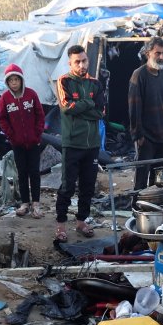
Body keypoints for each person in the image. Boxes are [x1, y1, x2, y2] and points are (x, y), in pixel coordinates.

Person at [54, 45, 105, 242]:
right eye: (77, 62)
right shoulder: (64, 81)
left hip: (92, 145)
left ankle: (81, 221)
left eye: (84, 61)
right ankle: (60, 225)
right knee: (67, 186)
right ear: (70, 63)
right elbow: (67, 107)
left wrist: (82, 107)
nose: (81, 65)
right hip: (72, 143)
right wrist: (89, 103)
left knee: (88, 186)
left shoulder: (95, 84)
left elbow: (102, 112)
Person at [0, 63, 46, 217]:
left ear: (21, 80)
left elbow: (40, 115)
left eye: (16, 79)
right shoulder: (4, 99)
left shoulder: (31, 95)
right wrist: (11, 136)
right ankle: (25, 203)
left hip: (33, 142)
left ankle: (36, 204)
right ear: (7, 82)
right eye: (11, 80)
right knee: (22, 173)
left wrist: (37, 134)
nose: (14, 83)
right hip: (17, 143)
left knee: (34, 172)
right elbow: (3, 119)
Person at [128, 37, 163, 191]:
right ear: (148, 53)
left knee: (159, 179)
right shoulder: (139, 75)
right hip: (146, 137)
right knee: (141, 178)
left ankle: (155, 210)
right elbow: (134, 107)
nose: (161, 57)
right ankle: (138, 210)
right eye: (157, 53)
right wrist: (138, 135)